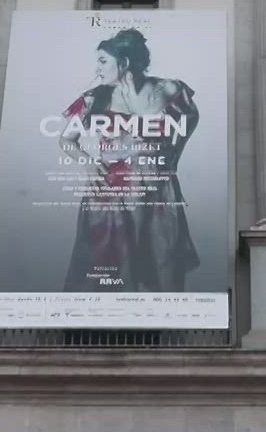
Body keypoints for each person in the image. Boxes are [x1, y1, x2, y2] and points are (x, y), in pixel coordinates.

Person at [57, 28, 201, 293]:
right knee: (112, 268)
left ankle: (163, 329)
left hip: (157, 190)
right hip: (111, 191)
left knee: (164, 259)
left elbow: (191, 117)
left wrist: (173, 157)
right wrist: (89, 162)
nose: (97, 68)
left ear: (123, 63)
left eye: (103, 61)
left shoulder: (167, 88)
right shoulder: (94, 97)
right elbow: (66, 140)